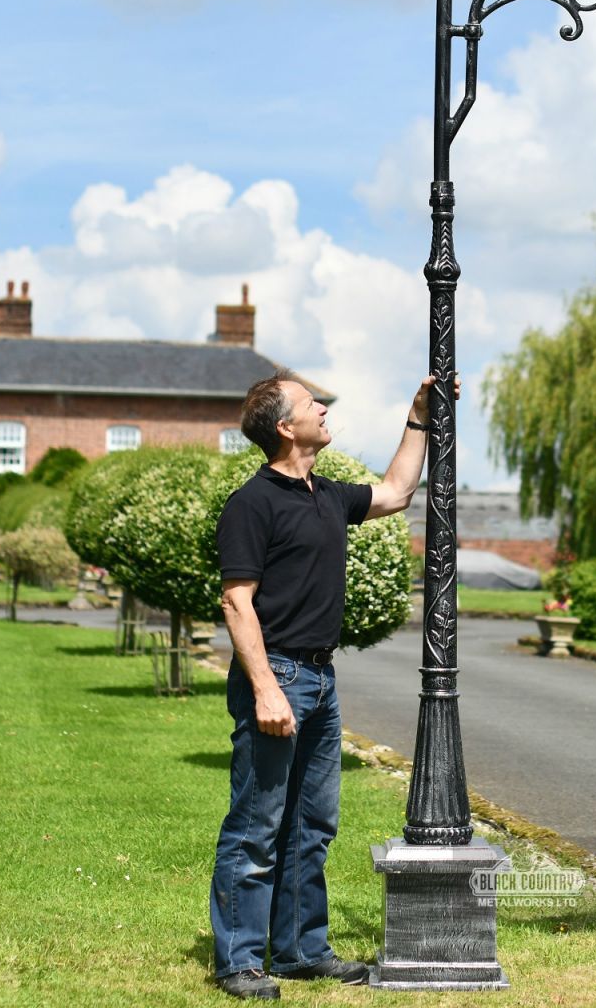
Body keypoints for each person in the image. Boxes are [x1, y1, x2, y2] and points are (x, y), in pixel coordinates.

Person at [210, 369, 448, 1000]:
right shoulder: (251, 504)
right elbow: (237, 601)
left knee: (312, 824)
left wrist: (419, 416)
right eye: (309, 402)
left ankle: (298, 952)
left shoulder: (327, 495)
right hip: (279, 674)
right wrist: (265, 688)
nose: (322, 407)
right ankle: (239, 961)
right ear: (285, 426)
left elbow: (397, 492)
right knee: (257, 823)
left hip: (321, 676)